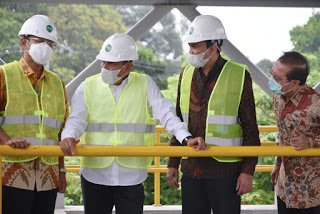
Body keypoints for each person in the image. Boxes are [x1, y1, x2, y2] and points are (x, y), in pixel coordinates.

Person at [59, 33, 205, 214]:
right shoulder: (87, 86)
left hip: (131, 177)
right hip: (94, 175)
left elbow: (166, 114)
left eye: (111, 63)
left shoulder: (145, 84)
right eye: (102, 61)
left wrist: (186, 137)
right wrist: (68, 136)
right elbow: (76, 119)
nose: (104, 67)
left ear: (128, 66)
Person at [166, 15, 261, 214]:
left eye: (196, 46)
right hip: (192, 168)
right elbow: (178, 121)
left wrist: (247, 171)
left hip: (226, 172)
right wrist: (173, 163)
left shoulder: (239, 75)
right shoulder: (186, 74)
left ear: (214, 46)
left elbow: (250, 128)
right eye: (189, 46)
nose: (191, 52)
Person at [0, 15, 69, 214]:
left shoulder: (57, 83)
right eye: (40, 42)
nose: (46, 47)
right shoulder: (4, 75)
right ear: (24, 42)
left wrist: (62, 170)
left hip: (48, 176)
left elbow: (59, 131)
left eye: (50, 43)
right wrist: (6, 141)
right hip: (11, 173)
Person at [270, 51, 320, 214]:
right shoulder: (278, 97)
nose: (272, 82)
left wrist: (310, 142)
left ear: (295, 83)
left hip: (310, 193)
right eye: (273, 74)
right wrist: (277, 165)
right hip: (284, 188)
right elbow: (282, 134)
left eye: (278, 79)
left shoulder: (315, 104)